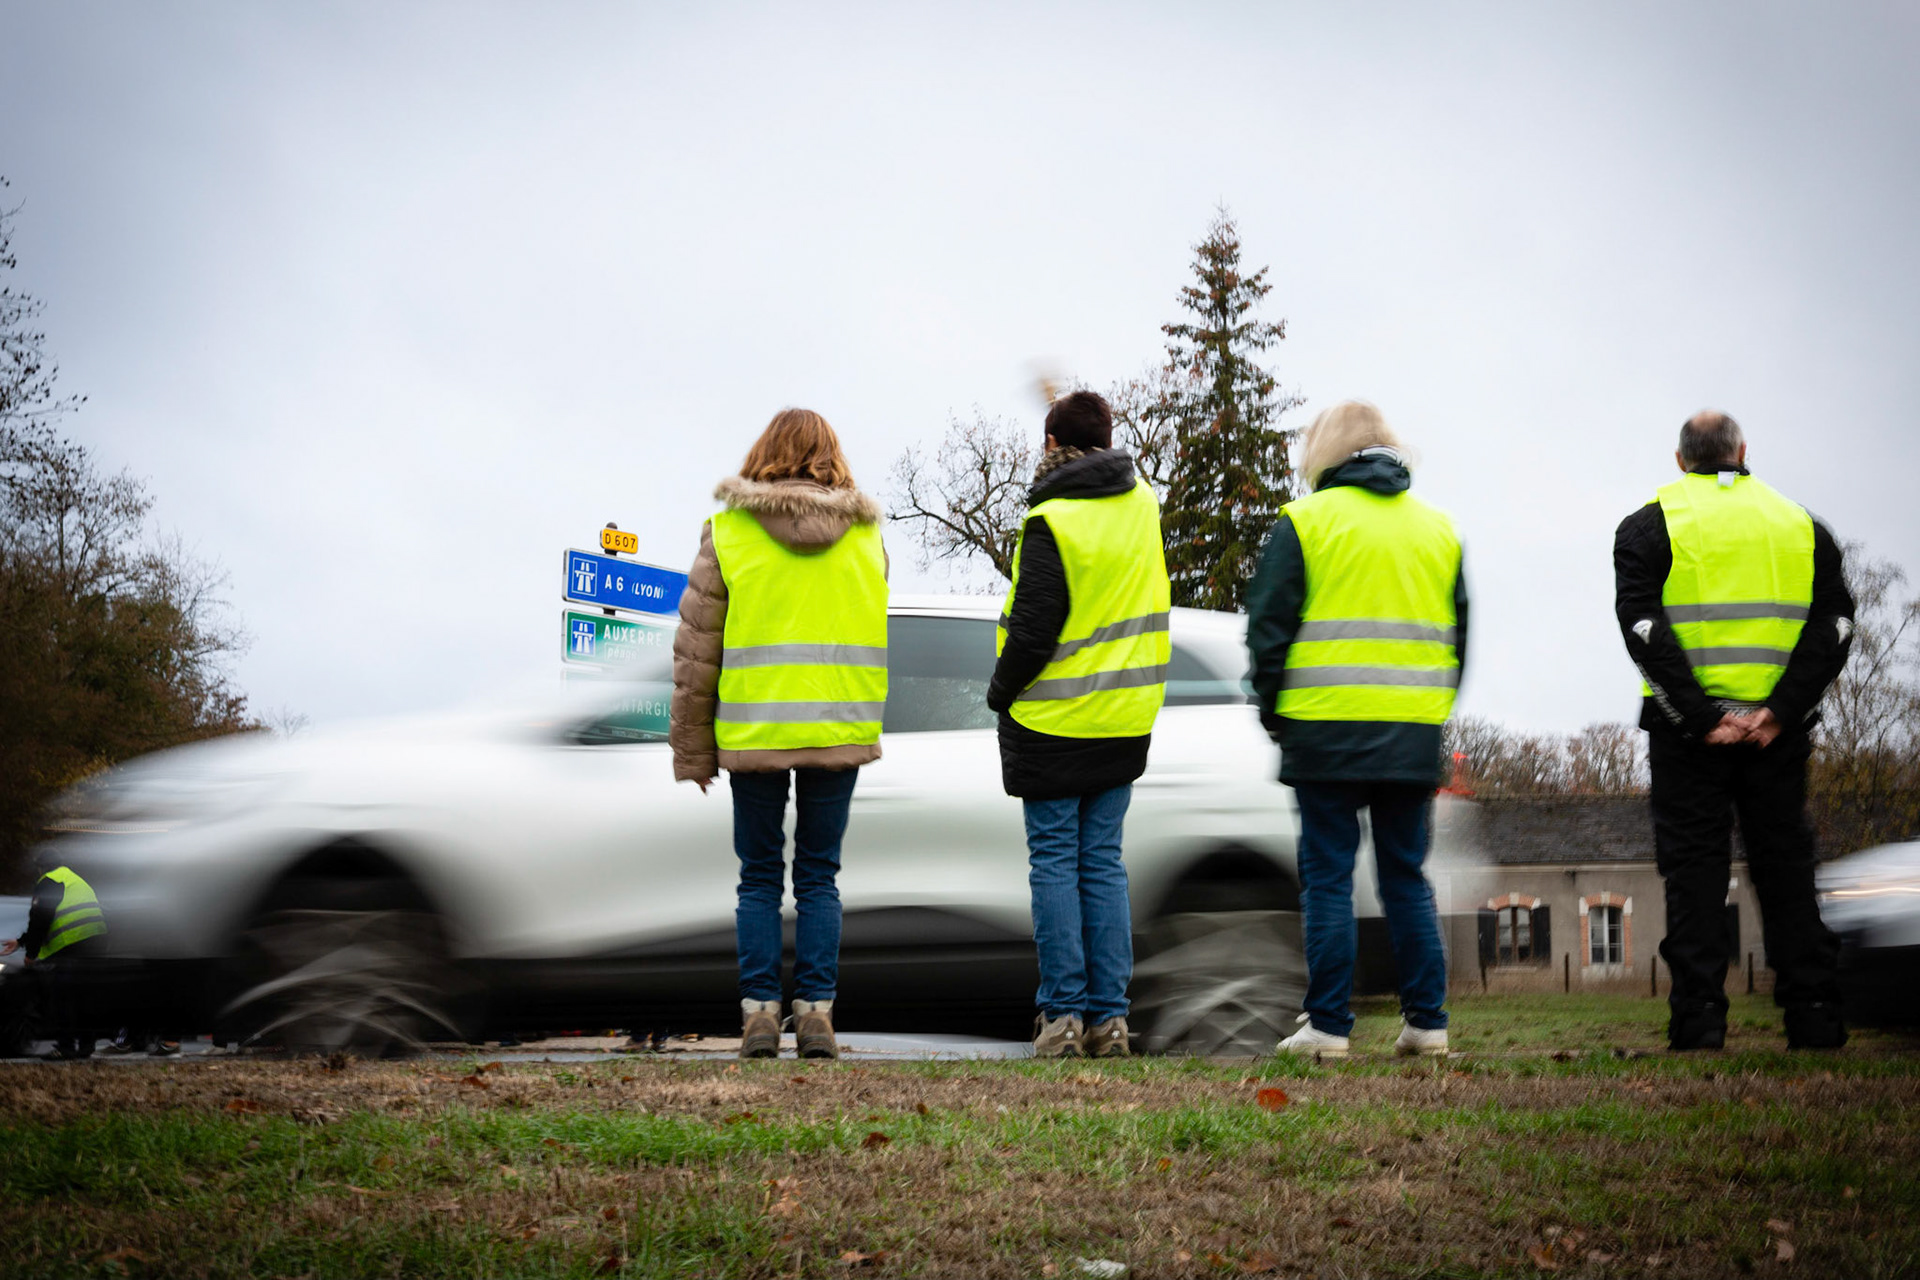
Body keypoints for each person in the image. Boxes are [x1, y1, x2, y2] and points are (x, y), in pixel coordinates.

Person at [1613, 410, 1852, 1051]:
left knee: (1694, 873)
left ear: (1680, 458)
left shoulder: (1649, 524)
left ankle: (1699, 1025)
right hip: (1780, 732)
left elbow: (1641, 627)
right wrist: (1779, 711)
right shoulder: (1803, 527)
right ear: (1744, 450)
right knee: (1786, 867)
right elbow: (1835, 627)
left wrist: (1702, 717)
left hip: (1688, 736)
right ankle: (1816, 1017)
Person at [1245, 402, 1465, 1060]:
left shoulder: (1305, 524)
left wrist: (1274, 713)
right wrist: (1430, 712)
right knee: (1406, 877)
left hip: (1323, 732)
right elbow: (1459, 637)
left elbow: (1267, 631)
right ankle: (1428, 1023)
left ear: (1325, 452)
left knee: (1329, 880)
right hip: (1411, 732)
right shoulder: (1439, 530)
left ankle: (1328, 1028)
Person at [670, 408, 889, 1061]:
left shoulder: (730, 533)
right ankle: (817, 1014)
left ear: (765, 452)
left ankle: (760, 1017)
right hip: (836, 724)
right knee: (819, 875)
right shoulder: (866, 536)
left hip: (755, 729)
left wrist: (692, 750)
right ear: (832, 455)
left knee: (759, 877)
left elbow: (696, 650)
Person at [986, 390, 1171, 1059]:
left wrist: (999, 691)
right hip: (1124, 715)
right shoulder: (1143, 505)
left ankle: (1062, 1018)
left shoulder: (1053, 520)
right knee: (1103, 865)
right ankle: (1111, 1020)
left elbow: (1034, 631)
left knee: (1057, 866)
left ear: (1053, 446)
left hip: (1055, 717)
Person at [1, 864, 109, 1059]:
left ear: (40, 868)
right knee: (83, 996)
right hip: (95, 943)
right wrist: (20, 942)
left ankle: (65, 1048)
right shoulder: (75, 880)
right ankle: (86, 1044)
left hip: (71, 944)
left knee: (63, 997)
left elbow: (41, 918)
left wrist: (30, 954)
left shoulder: (48, 881)